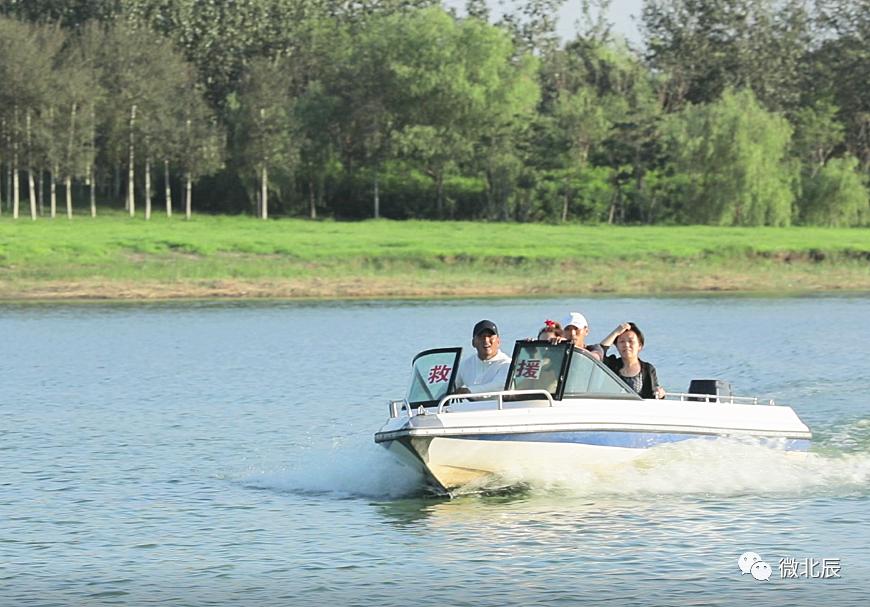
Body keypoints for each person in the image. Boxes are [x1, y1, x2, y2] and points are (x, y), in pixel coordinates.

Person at [602, 322, 665, 399]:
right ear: (617, 346)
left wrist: (660, 394)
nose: (626, 345)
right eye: (622, 341)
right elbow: (599, 353)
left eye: (631, 341)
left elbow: (654, 395)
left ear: (640, 346)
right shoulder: (611, 365)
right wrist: (615, 333)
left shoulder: (648, 369)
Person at [454, 319, 512, 394]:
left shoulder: (507, 363)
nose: (486, 340)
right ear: (473, 342)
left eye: (490, 336)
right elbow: (451, 385)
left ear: (498, 341)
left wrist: (469, 391)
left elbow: (500, 386)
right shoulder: (465, 364)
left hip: (498, 402)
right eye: (481, 336)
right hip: (471, 402)